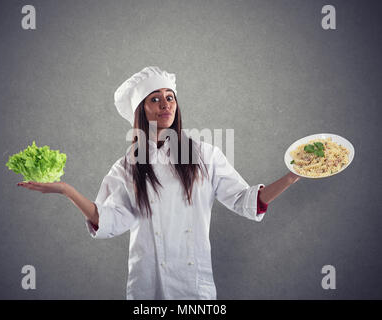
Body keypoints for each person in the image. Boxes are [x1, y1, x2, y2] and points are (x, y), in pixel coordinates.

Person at [17, 66, 301, 299]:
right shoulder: (127, 167)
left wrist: (291, 175)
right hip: (148, 286)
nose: (165, 104)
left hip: (195, 288)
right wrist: (66, 190)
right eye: (155, 99)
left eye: (170, 97)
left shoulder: (205, 154)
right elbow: (109, 219)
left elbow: (244, 200)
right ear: (141, 110)